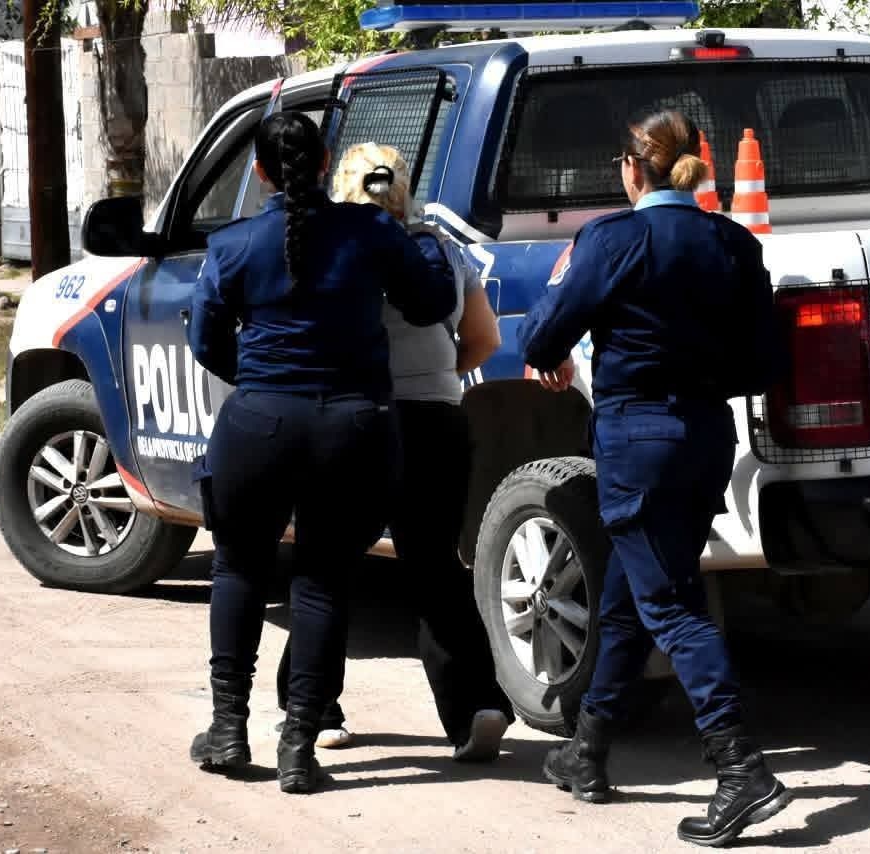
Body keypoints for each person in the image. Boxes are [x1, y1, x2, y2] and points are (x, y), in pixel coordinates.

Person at [517, 109, 791, 847]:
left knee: (667, 600)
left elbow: (541, 335)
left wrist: (560, 354)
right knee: (630, 595)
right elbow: (765, 363)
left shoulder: (614, 239)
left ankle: (740, 769)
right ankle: (589, 748)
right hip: (705, 435)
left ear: (632, 170)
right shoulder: (731, 242)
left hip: (638, 439)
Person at [186, 111, 456, 794]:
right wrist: (422, 237)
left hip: (259, 423)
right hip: (353, 426)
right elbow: (430, 305)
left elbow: (206, 342)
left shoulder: (233, 244)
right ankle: (299, 746)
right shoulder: (372, 233)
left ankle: (227, 726)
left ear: (259, 171)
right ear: (327, 158)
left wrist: (258, 383)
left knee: (239, 569)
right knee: (324, 578)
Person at [275, 141, 514, 761]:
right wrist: (434, 382)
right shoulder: (440, 246)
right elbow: (484, 338)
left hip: (353, 417)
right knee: (435, 564)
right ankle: (475, 708)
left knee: (326, 565)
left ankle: (314, 708)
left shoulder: (325, 243)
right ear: (404, 186)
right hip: (437, 419)